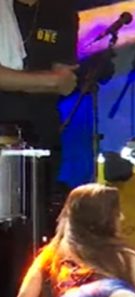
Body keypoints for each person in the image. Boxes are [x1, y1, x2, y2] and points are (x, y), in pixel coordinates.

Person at [0, 0, 79, 227]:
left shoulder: (61, 11)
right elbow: (56, 81)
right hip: (4, 126)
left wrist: (14, 81)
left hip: (41, 131)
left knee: (36, 217)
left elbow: (65, 83)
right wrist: (47, 81)